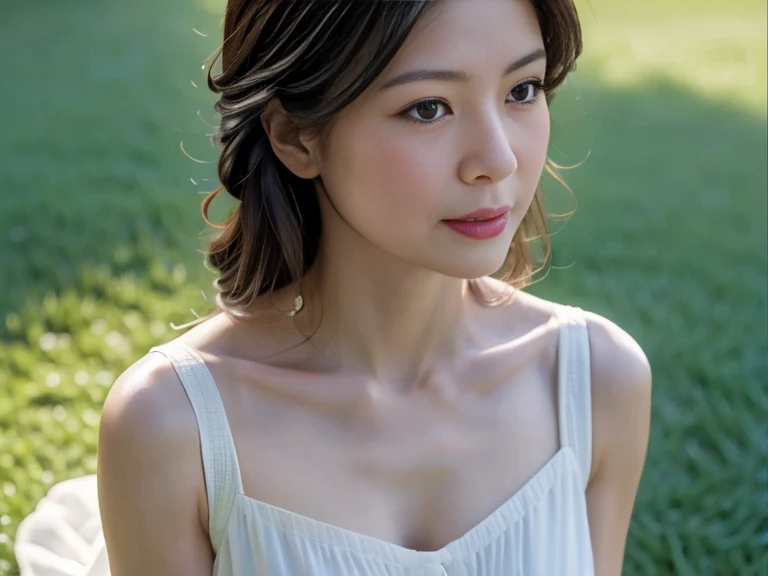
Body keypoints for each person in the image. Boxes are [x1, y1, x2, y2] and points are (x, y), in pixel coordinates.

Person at [16, 1, 653, 575]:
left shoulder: (596, 381)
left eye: (523, 89)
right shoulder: (173, 429)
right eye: (427, 107)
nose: (498, 158)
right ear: (296, 135)